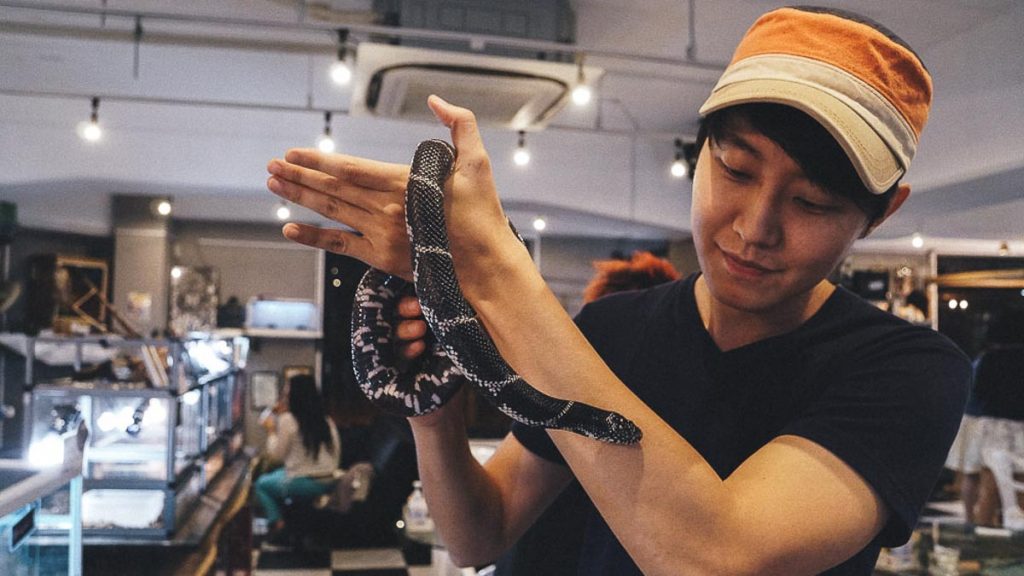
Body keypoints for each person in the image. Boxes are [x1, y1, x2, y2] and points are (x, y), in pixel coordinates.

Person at [265, 6, 971, 574]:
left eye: (813, 203)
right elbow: (478, 534)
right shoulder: (611, 329)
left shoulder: (907, 372)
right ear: (700, 153)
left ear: (882, 214)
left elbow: (719, 558)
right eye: (735, 168)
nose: (756, 227)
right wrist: (432, 410)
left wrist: (492, 267)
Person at [255, 374, 341, 547]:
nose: (284, 396)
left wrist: (271, 431)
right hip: (330, 480)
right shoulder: (325, 419)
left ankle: (279, 524)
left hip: (304, 483)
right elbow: (337, 453)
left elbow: (277, 455)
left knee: (261, 484)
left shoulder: (288, 420)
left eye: (287, 393)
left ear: (295, 396)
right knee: (278, 475)